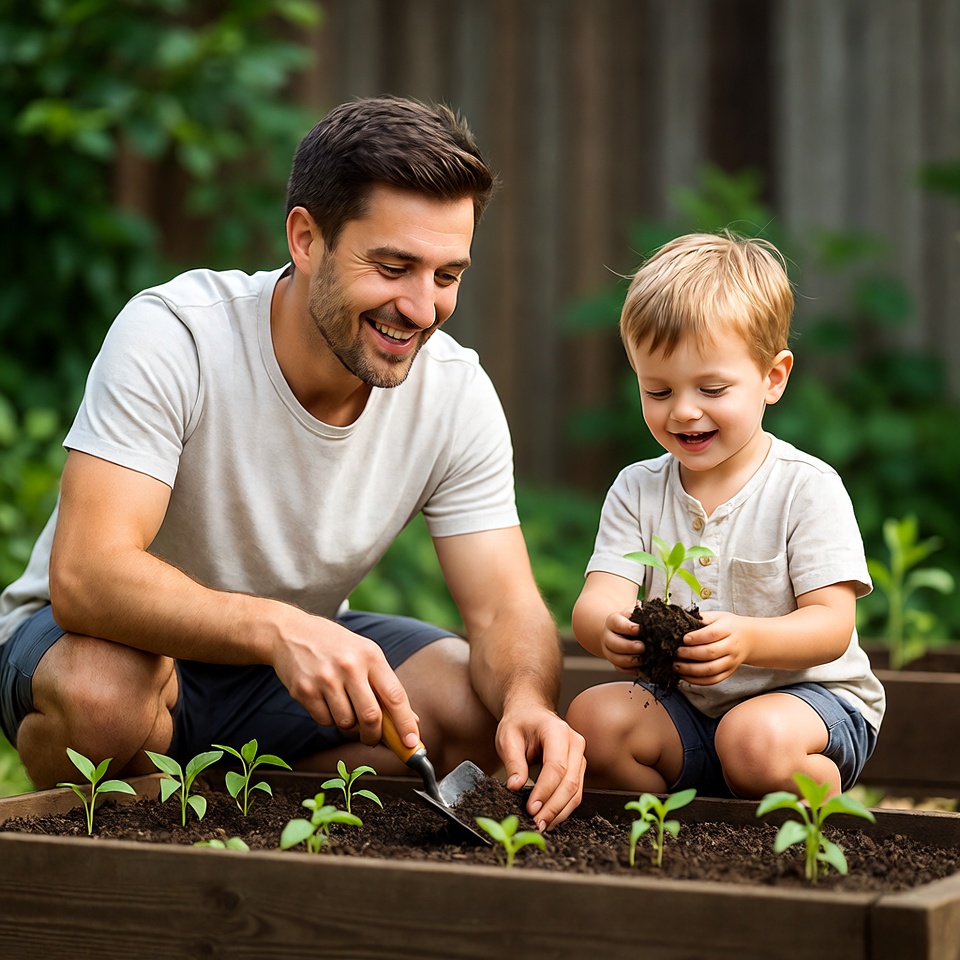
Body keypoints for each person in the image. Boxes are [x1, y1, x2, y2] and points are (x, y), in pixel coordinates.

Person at [0, 95, 584, 830]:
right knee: (101, 699)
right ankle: (130, 796)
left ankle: (234, 800)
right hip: (106, 644)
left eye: (446, 274)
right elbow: (86, 576)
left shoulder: (455, 392)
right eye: (395, 265)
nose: (422, 306)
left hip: (285, 667)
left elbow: (505, 604)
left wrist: (528, 703)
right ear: (307, 239)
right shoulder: (176, 336)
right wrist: (277, 628)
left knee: (474, 706)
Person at [565, 231, 885, 799]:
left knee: (752, 742)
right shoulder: (638, 489)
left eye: (712, 388)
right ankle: (680, 831)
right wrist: (608, 629)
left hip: (807, 708)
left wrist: (749, 640)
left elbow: (832, 628)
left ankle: (820, 803)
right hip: (690, 713)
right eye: (657, 390)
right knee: (594, 722)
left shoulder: (805, 489)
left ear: (773, 378)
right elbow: (598, 598)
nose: (684, 411)